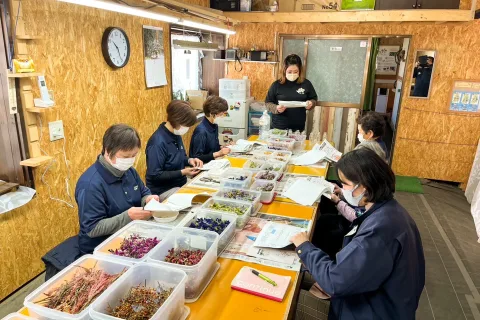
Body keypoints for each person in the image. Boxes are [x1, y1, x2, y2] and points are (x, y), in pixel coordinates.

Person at [291, 148, 425, 320]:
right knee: (300, 275)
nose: (342, 188)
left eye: (345, 184)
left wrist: (305, 247)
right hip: (374, 298)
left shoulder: (379, 232)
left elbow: (335, 282)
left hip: (369, 310)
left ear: (364, 186)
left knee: (295, 302)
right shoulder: (388, 211)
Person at [75, 124, 158, 255]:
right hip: (102, 247)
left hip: (131, 235)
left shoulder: (128, 171)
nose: (130, 160)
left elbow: (143, 192)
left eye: (134, 155)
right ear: (108, 151)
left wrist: (148, 199)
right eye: (125, 157)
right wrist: (128, 216)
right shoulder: (90, 185)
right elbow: (92, 228)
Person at [146, 100, 203, 199]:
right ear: (177, 121)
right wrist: (183, 172)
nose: (187, 129)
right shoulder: (157, 143)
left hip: (180, 183)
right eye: (187, 126)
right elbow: (155, 175)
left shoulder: (176, 133)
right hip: (163, 190)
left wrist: (190, 160)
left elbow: (181, 157)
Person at [265, 54, 318, 131]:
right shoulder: (276, 85)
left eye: (295, 71)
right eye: (289, 72)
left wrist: (311, 103)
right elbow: (268, 103)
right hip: (279, 127)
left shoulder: (306, 84)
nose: (292, 74)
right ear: (284, 70)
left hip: (298, 126)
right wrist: (276, 108)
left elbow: (314, 98)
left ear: (300, 71)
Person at [189, 96, 231, 163]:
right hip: (202, 167)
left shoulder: (214, 126)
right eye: (222, 113)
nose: (223, 116)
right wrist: (218, 153)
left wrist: (222, 147)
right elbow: (196, 157)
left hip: (213, 163)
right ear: (212, 114)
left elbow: (213, 148)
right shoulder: (201, 131)